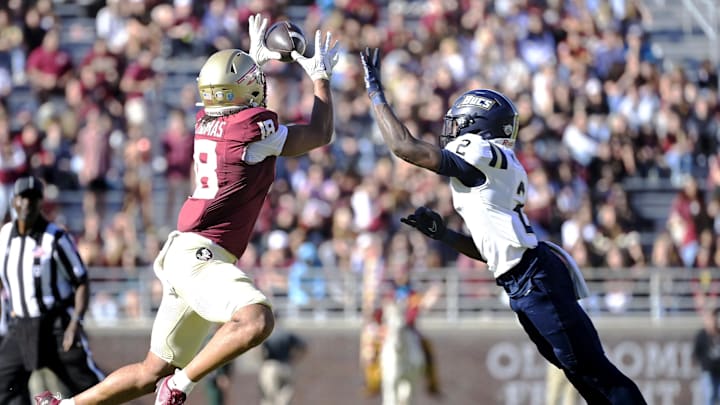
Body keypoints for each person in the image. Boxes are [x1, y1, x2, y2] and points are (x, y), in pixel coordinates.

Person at [35, 14, 339, 405]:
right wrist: (320, 77)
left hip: (185, 251)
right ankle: (179, 387)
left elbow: (231, 98)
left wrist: (253, 60)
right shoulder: (251, 128)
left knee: (150, 370)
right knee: (256, 319)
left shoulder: (205, 120)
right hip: (203, 256)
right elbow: (319, 133)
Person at [359, 48, 647, 404]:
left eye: (458, 124)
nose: (452, 132)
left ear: (475, 127)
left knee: (595, 372)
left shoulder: (478, 151)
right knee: (580, 374)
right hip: (524, 278)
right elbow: (493, 252)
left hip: (534, 279)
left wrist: (375, 93)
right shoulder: (491, 169)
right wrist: (444, 235)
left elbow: (405, 147)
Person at [0, 176, 105, 405]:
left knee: (90, 385)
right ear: (13, 201)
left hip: (56, 327)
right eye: (22, 198)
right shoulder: (5, 236)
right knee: (4, 384)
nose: (26, 205)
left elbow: (81, 281)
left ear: (40, 203)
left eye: (33, 199)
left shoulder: (55, 237)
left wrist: (75, 322)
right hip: (21, 327)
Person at [258, 312, 308, 405]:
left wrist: (261, 361)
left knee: (269, 398)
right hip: (286, 366)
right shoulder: (286, 333)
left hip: (270, 366)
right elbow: (303, 346)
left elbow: (260, 349)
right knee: (284, 397)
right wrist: (295, 359)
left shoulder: (267, 333)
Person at [692, 307, 720, 405]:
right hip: (708, 371)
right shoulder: (702, 335)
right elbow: (696, 353)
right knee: (710, 396)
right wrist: (705, 364)